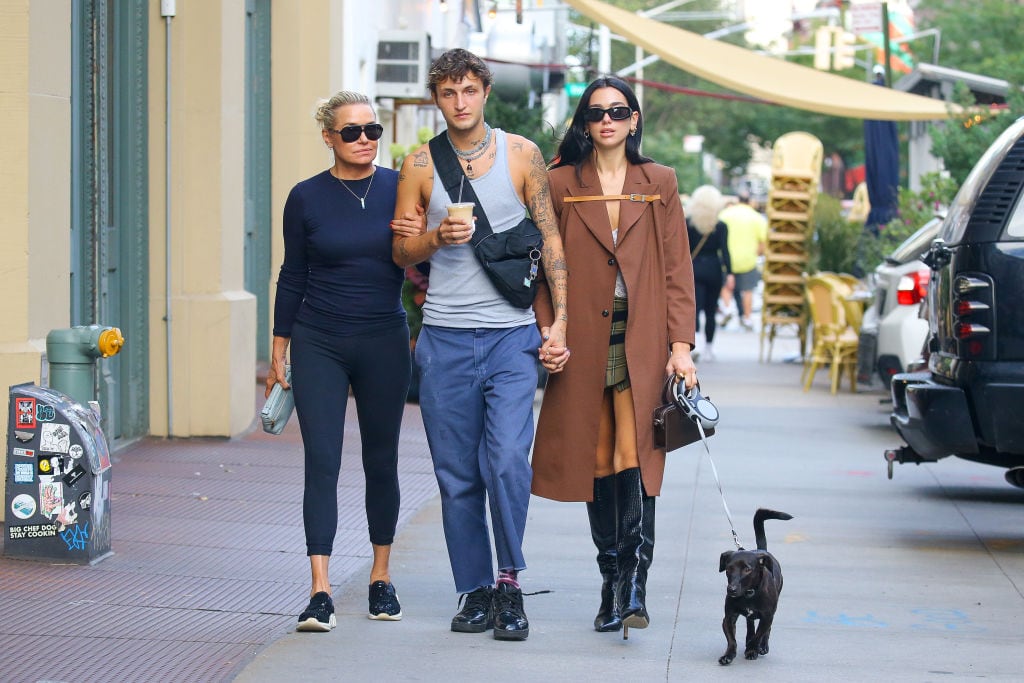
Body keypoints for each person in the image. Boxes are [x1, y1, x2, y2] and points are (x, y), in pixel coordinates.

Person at [391, 48, 569, 641]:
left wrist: (560, 323)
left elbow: (550, 241)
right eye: (448, 93)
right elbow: (401, 251)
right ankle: (474, 590)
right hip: (443, 337)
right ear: (436, 98)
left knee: (507, 463)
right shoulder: (418, 164)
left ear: (485, 92)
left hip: (511, 338)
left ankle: (510, 583)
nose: (459, 102)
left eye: (468, 90)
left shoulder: (522, 155)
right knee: (456, 474)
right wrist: (438, 236)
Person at [531, 76, 698, 639]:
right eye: (597, 112)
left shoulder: (660, 182)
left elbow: (678, 268)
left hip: (642, 340)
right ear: (584, 122)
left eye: (618, 111)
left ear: (634, 120)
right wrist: (549, 332)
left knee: (638, 459)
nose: (607, 120)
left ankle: (635, 585)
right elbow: (542, 269)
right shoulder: (558, 183)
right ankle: (609, 579)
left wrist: (681, 348)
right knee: (596, 460)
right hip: (580, 342)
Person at [267, 91, 422, 632]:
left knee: (382, 460)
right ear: (328, 137)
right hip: (320, 339)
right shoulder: (306, 197)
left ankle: (381, 578)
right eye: (351, 132)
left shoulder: (401, 187)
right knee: (323, 460)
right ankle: (320, 590)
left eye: (372, 131)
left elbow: (420, 256)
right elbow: (293, 273)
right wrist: (280, 340)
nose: (363, 141)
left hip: (382, 336)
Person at [687, 185, 732, 361]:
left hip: (694, 269)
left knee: (695, 309)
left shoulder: (688, 223)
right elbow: (725, 251)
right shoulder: (720, 226)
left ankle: (695, 343)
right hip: (714, 269)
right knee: (711, 311)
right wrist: (730, 273)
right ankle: (709, 348)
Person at [718, 191, 767, 330]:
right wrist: (756, 253)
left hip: (727, 257)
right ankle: (747, 318)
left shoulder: (726, 214)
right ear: (750, 202)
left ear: (737, 200)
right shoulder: (757, 218)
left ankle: (727, 308)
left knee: (726, 287)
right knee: (747, 290)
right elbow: (763, 242)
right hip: (748, 259)